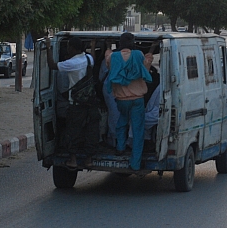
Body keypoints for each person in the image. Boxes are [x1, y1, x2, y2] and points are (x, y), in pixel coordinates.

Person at [46, 37, 99, 169]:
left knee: (73, 131)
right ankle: (89, 159)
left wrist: (48, 48)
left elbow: (52, 65)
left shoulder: (71, 63)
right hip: (91, 103)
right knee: (91, 131)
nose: (68, 49)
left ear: (73, 48)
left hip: (76, 104)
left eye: (69, 46)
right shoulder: (88, 59)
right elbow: (93, 56)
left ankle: (73, 159)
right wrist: (92, 45)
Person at [105, 32, 152, 171]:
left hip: (121, 100)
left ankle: (120, 147)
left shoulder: (113, 57)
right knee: (138, 130)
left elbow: (108, 59)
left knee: (122, 122)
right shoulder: (138, 55)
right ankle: (135, 163)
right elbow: (146, 66)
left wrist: (108, 46)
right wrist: (151, 51)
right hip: (137, 100)